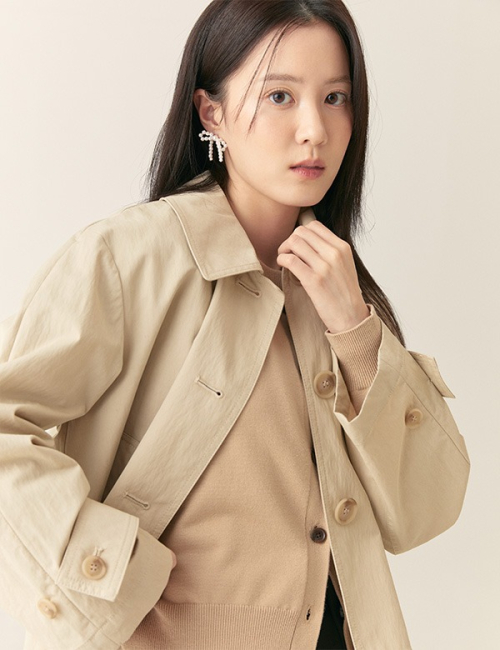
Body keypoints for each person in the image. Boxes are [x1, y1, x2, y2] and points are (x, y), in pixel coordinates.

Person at [0, 1, 470, 649]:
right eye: (280, 96)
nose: (314, 129)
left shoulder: (339, 287)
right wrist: (106, 570)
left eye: (335, 97)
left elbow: (425, 511)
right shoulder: (127, 258)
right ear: (211, 112)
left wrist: (356, 332)